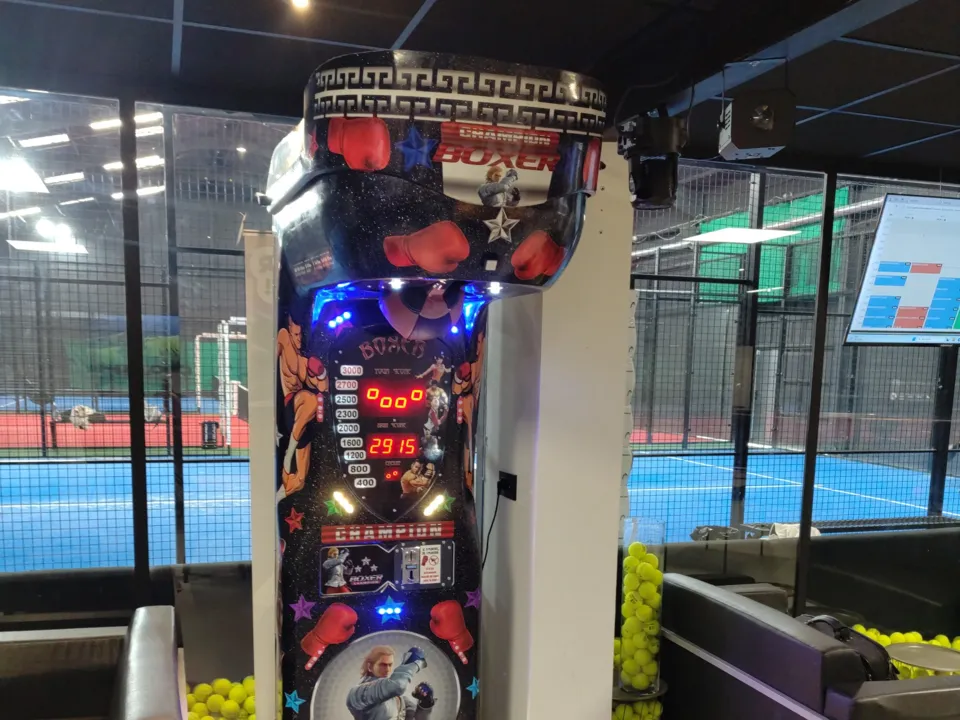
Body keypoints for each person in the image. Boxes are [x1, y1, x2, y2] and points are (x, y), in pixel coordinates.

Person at [277, 314, 328, 497]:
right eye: (296, 334)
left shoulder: (305, 362)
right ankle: (288, 455)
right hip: (290, 404)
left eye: (301, 335)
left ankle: (278, 498)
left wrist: (321, 373)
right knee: (310, 399)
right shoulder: (283, 338)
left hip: (303, 418)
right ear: (290, 330)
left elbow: (323, 388)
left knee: (299, 481)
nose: (299, 339)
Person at [346, 646, 435, 720]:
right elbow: (398, 685)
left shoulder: (399, 699)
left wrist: (425, 704)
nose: (388, 670)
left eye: (390, 665)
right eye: (383, 665)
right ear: (370, 667)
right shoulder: (357, 693)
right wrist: (413, 664)